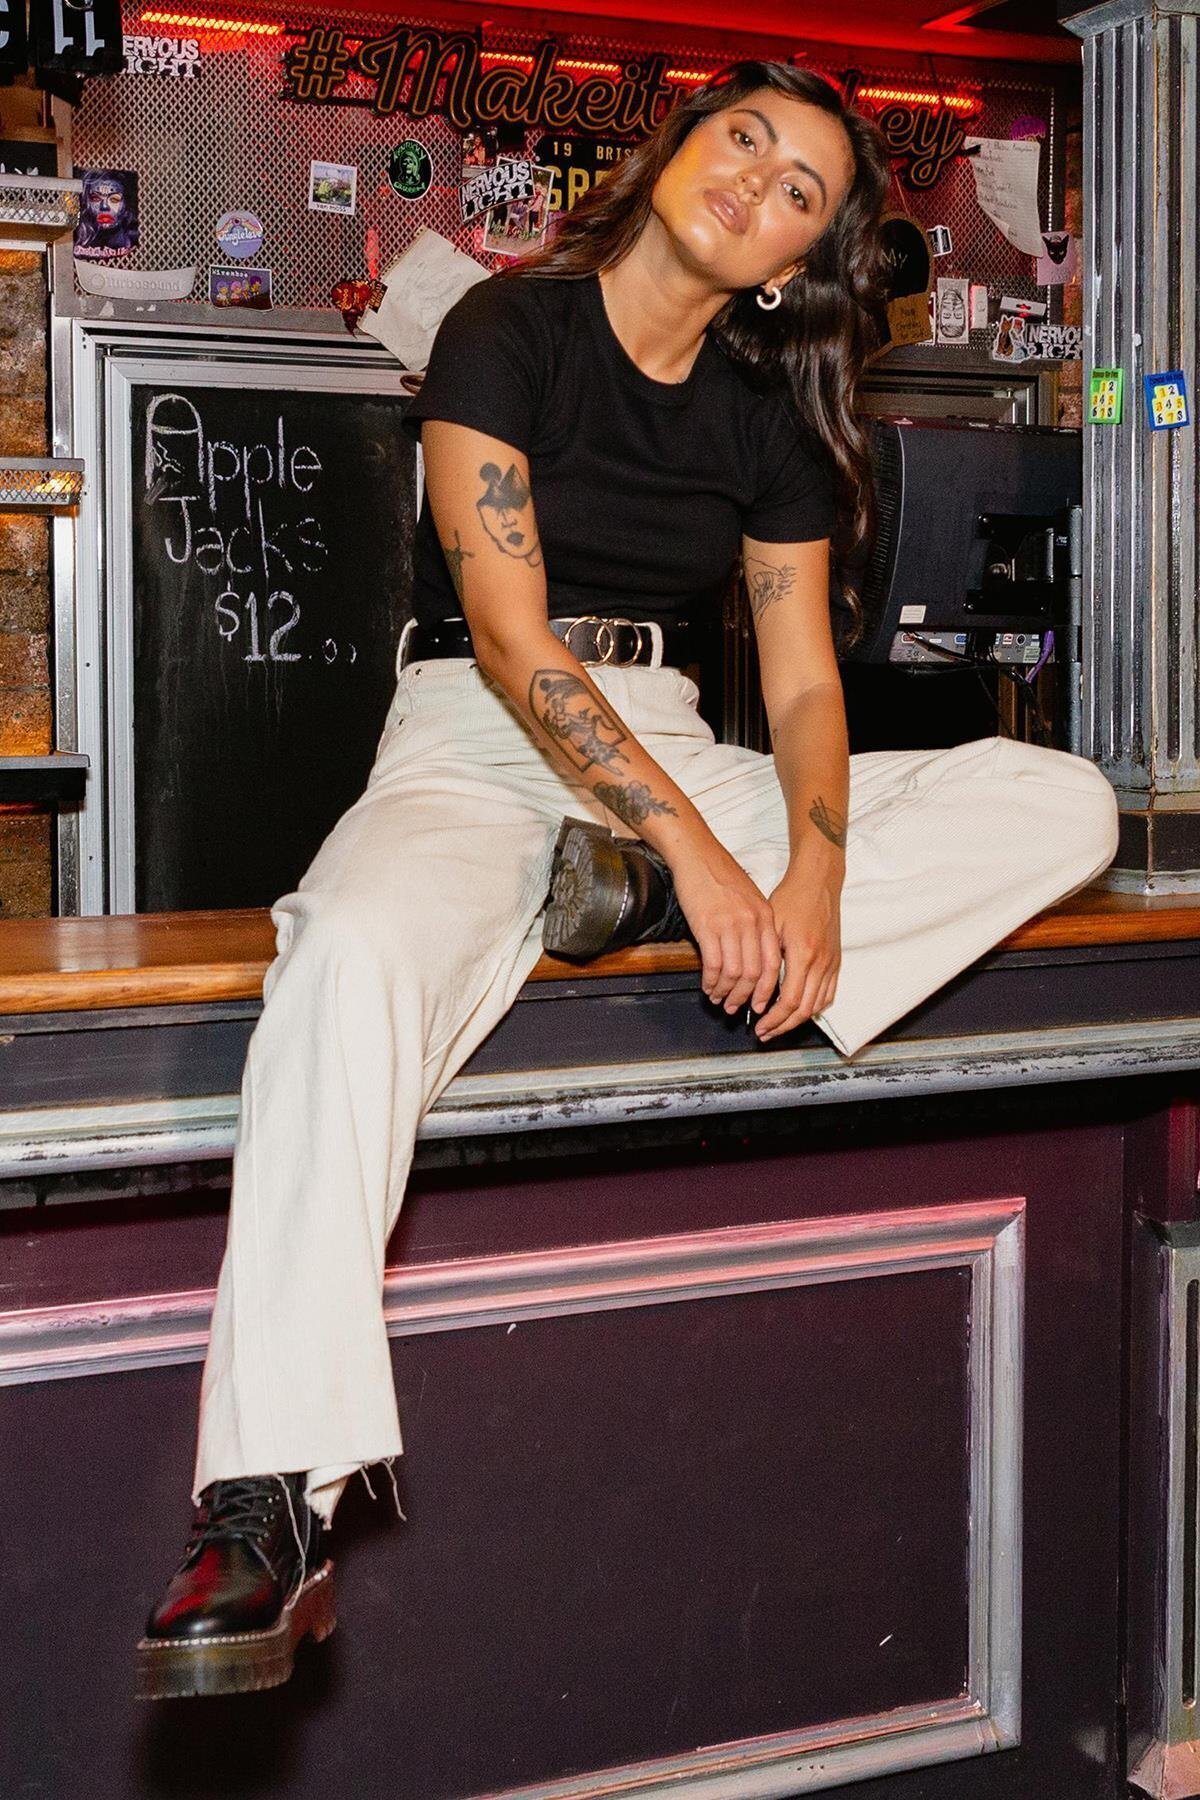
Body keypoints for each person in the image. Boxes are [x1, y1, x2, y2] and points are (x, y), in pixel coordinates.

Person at [137, 60, 1119, 1700]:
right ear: (676, 147)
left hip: (673, 739)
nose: (758, 180)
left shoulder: (769, 412)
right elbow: (514, 640)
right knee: (348, 954)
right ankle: (271, 1499)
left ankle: (643, 900)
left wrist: (809, 883)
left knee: (1062, 800)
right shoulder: (506, 330)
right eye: (746, 138)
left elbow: (800, 689)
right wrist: (700, 858)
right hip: (477, 730)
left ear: (798, 260)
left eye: (801, 188)